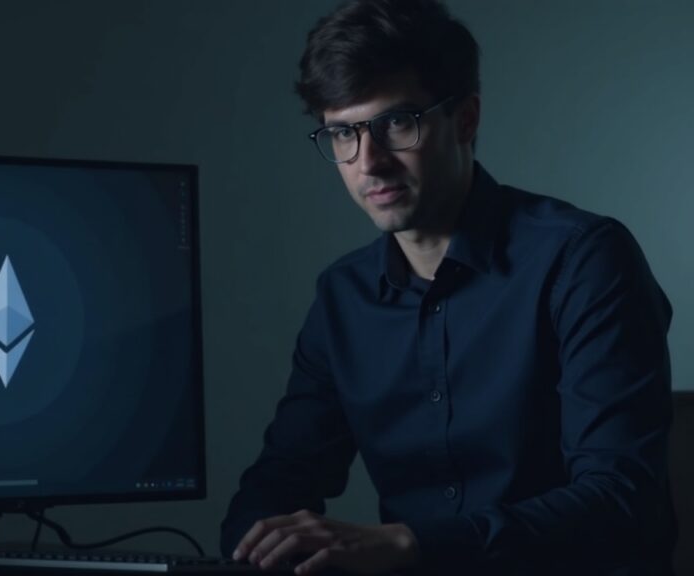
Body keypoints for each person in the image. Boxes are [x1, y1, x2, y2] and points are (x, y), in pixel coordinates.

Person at [219, 1, 676, 575]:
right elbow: (280, 479)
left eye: (395, 123)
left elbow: (620, 499)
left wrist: (415, 546)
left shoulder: (584, 259)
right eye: (342, 134)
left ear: (465, 120)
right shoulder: (343, 297)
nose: (370, 163)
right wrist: (251, 551)